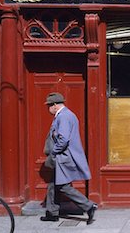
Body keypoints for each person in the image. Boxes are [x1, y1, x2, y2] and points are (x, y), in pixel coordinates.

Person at [41, 92, 97, 225]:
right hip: (63, 156)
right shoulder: (65, 115)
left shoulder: (64, 117)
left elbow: (63, 139)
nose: (48, 108)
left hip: (63, 157)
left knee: (63, 186)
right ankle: (52, 213)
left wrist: (54, 152)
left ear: (54, 105)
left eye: (48, 105)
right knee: (53, 185)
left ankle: (88, 206)